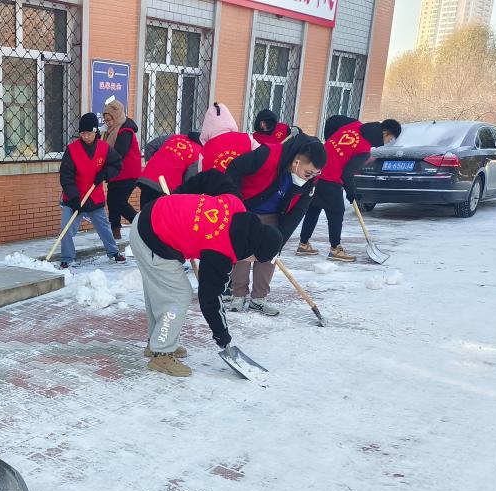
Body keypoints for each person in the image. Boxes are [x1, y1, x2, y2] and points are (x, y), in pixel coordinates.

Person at [130, 192, 283, 377]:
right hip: (151, 236)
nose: (251, 262)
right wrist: (222, 336)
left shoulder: (236, 206)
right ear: (253, 251)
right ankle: (161, 353)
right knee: (177, 296)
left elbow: (207, 183)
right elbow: (209, 299)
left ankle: (158, 342)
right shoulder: (220, 251)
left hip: (154, 215)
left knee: (161, 292)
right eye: (255, 259)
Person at [179, 134, 327, 317]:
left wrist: (280, 240)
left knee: (269, 255)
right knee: (241, 252)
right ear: (297, 161)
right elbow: (235, 168)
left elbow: (298, 212)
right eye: (308, 172)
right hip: (246, 208)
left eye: (314, 174)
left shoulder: (310, 182)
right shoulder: (268, 155)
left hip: (275, 216)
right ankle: (238, 295)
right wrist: (235, 203)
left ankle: (259, 299)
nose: (309, 177)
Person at [297, 117, 401, 262]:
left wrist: (329, 145)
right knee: (336, 212)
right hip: (330, 178)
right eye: (391, 139)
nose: (389, 142)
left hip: (315, 171)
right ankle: (335, 249)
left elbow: (332, 120)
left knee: (314, 208)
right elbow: (347, 173)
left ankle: (303, 244)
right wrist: (351, 192)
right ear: (385, 133)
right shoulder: (363, 148)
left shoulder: (353, 124)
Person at [58, 112, 124, 268]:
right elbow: (66, 177)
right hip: (74, 198)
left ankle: (113, 252)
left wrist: (105, 173)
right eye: (82, 133)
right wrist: (74, 197)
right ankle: (66, 257)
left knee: (104, 228)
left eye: (88, 133)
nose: (85, 136)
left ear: (96, 131)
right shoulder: (72, 150)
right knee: (66, 229)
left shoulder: (104, 148)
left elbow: (117, 164)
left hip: (94, 196)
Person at [101, 100, 142, 239]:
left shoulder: (125, 131)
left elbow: (119, 153)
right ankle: (115, 231)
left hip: (128, 174)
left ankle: (141, 225)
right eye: (106, 120)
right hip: (117, 174)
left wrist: (104, 168)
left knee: (119, 203)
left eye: (110, 120)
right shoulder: (111, 131)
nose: (108, 123)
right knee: (112, 201)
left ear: (116, 116)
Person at [137, 132, 202, 208]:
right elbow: (190, 178)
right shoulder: (199, 152)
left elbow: (150, 146)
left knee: (144, 211)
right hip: (166, 188)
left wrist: (152, 163)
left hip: (147, 179)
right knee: (158, 213)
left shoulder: (175, 137)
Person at [198, 101, 259, 174]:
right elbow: (264, 158)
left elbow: (201, 177)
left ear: (207, 126)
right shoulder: (247, 139)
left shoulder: (205, 151)